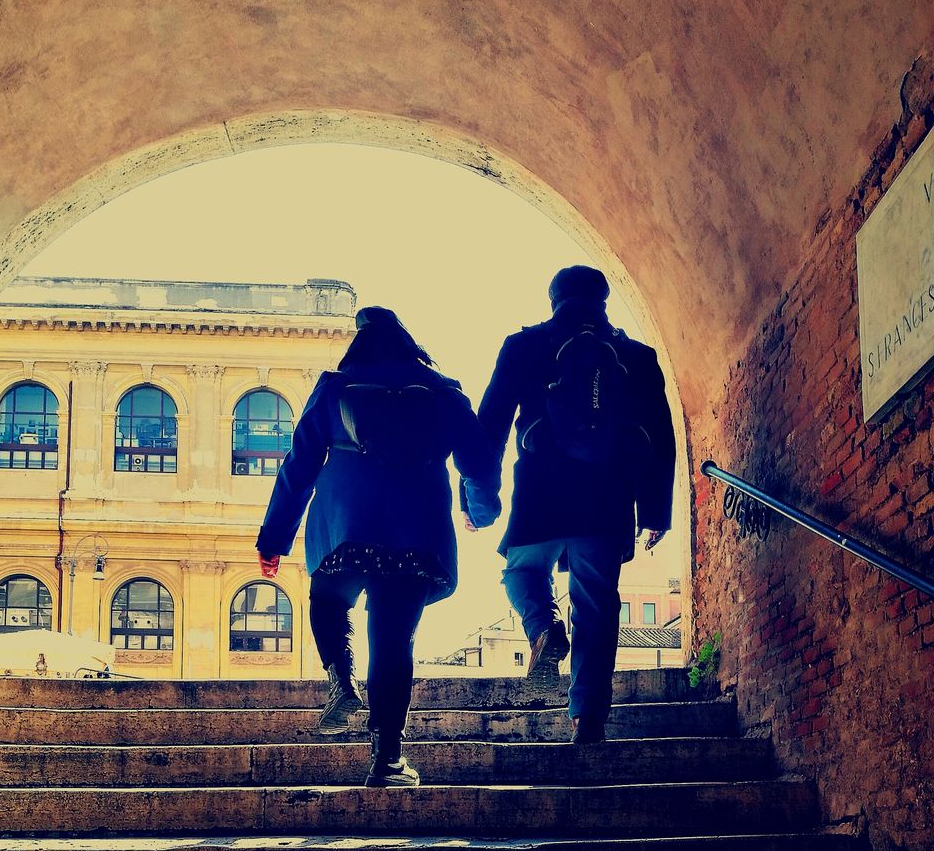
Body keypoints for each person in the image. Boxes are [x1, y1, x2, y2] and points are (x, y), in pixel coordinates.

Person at [256, 307, 500, 787]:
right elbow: (480, 461)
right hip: (416, 531)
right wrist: (480, 509)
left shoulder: (334, 387)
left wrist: (275, 538)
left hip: (346, 528)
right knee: (392, 639)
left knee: (328, 598)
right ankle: (387, 758)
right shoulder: (444, 392)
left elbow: (299, 465)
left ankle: (341, 682)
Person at [476, 265, 675, 742]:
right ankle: (588, 719)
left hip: (540, 490)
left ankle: (544, 627)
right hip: (607, 497)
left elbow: (490, 427)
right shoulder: (636, 356)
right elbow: (661, 438)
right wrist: (653, 512)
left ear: (554, 300)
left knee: (521, 572)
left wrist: (481, 499)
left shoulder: (524, 347)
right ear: (604, 300)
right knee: (598, 604)